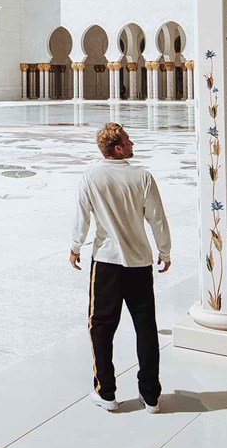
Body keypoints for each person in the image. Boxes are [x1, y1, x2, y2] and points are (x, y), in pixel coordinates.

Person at [69, 122, 171, 414]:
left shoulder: (91, 176)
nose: (132, 144)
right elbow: (157, 219)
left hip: (107, 264)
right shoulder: (142, 177)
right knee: (146, 328)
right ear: (117, 148)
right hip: (139, 263)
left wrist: (75, 246)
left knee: (101, 327)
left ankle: (107, 392)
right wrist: (165, 251)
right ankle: (150, 396)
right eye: (128, 140)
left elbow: (82, 217)